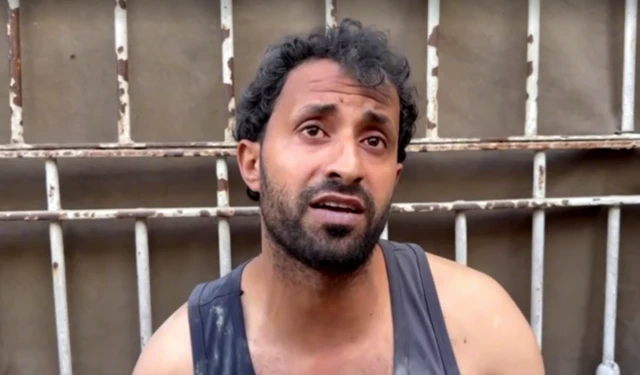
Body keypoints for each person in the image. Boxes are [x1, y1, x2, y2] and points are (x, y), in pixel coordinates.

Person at [132, 19, 545, 375]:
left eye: (374, 140)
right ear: (252, 163)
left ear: (395, 177)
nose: (348, 166)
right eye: (313, 130)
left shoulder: (480, 329)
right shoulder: (181, 361)